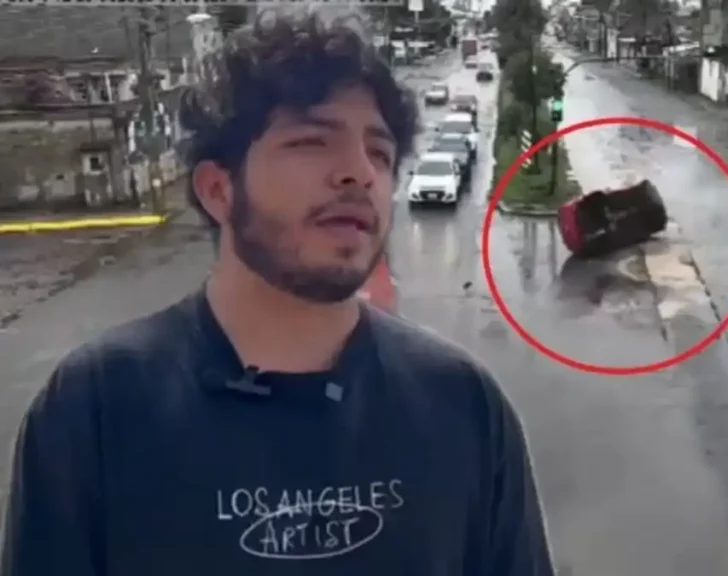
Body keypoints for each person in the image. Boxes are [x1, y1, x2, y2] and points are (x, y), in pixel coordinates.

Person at [2, 11, 554, 576]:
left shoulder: (462, 406)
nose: (359, 173)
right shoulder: (95, 409)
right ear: (219, 190)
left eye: (380, 154)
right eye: (312, 142)